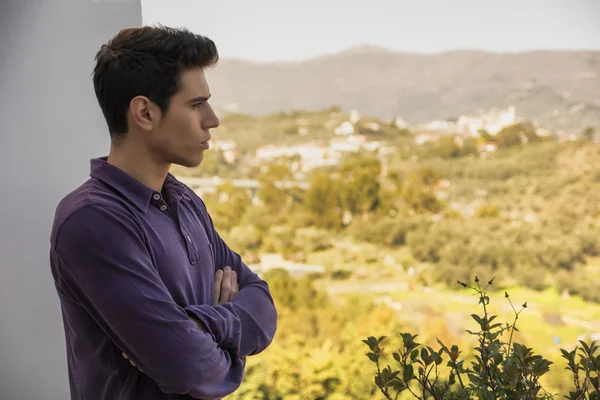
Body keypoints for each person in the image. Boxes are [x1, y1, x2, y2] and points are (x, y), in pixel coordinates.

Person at [49, 25, 278, 400]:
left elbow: (262, 309)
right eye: (195, 104)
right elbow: (189, 369)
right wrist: (223, 344)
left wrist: (199, 323)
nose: (213, 119)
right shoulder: (92, 221)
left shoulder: (185, 201)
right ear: (144, 112)